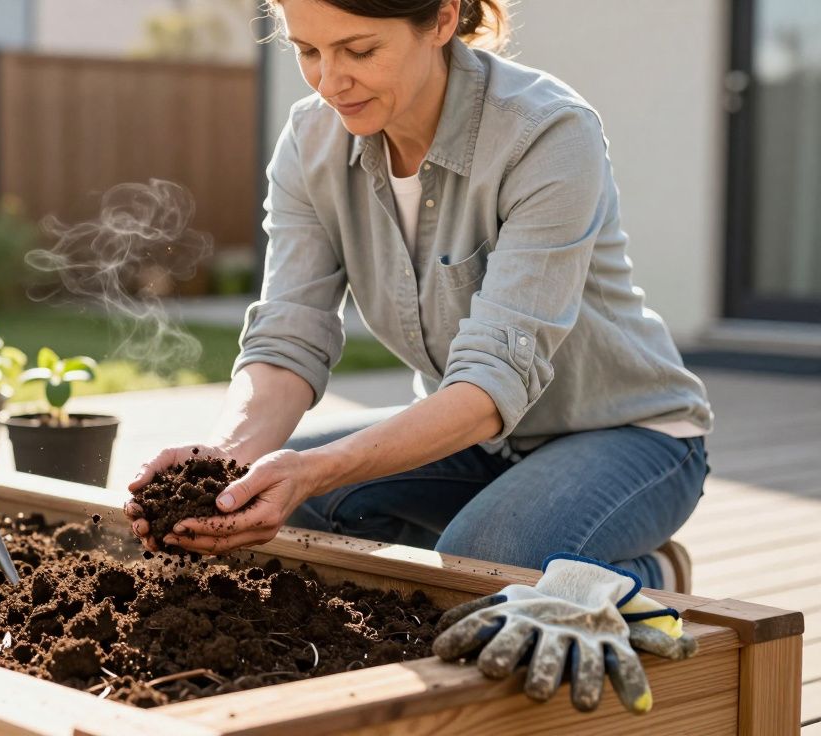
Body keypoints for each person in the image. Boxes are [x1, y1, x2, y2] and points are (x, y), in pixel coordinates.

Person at [124, 0, 712, 592]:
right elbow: (288, 336)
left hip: (625, 436)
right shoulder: (310, 141)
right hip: (477, 447)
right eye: (308, 52)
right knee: (288, 506)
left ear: (442, 20)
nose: (330, 81)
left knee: (482, 556)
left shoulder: (547, 132)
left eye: (360, 51)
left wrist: (315, 470)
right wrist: (227, 460)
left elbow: (492, 379)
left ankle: (650, 575)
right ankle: (503, 561)